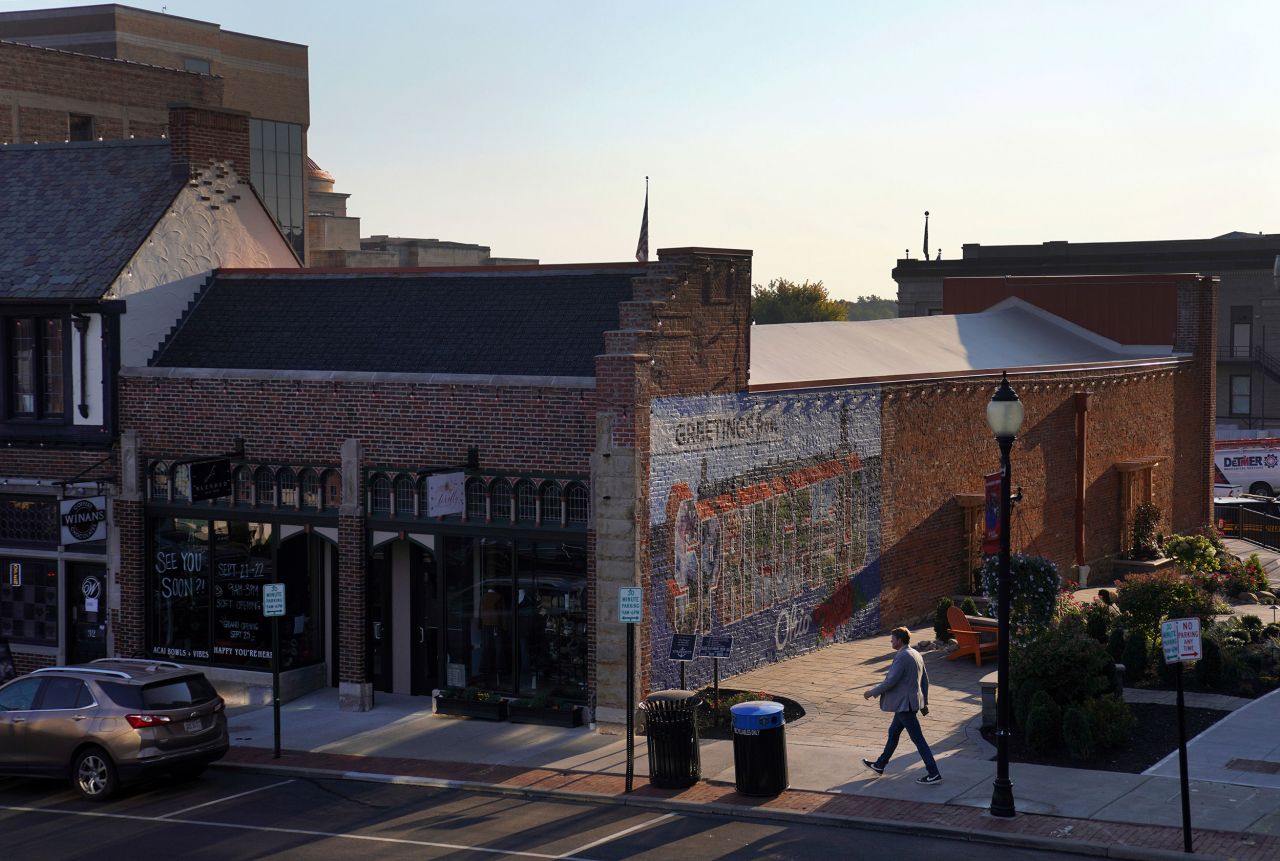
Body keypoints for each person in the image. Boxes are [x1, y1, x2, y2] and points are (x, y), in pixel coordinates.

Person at [862, 626, 941, 784]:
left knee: (918, 739)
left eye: (892, 639)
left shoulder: (902, 656)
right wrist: (924, 702)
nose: (891, 641)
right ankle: (879, 765)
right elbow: (925, 680)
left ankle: (933, 773)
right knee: (893, 732)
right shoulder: (916, 653)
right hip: (910, 704)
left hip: (905, 705)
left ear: (899, 640)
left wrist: (872, 692)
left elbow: (891, 681)